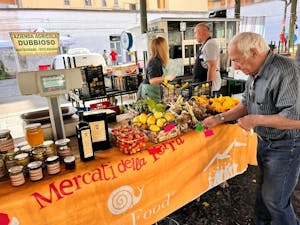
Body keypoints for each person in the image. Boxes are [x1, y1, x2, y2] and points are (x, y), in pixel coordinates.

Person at [202, 32, 300, 225]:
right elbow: (246, 104)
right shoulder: (255, 72)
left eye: (237, 61)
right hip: (264, 143)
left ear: (254, 52)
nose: (235, 67)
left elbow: (296, 119)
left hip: (286, 146)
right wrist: (219, 118)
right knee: (263, 197)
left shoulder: (286, 70)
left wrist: (255, 120)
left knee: (275, 200)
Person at [139, 36, 176, 102]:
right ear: (162, 48)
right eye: (166, 46)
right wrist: (166, 77)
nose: (168, 48)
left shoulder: (158, 60)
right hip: (149, 93)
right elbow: (152, 80)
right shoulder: (154, 62)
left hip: (153, 92)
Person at [193, 22, 221, 95]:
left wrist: (208, 88)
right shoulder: (204, 45)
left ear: (201, 32)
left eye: (195, 33)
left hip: (209, 88)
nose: (194, 36)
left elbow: (212, 66)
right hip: (201, 84)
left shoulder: (210, 44)